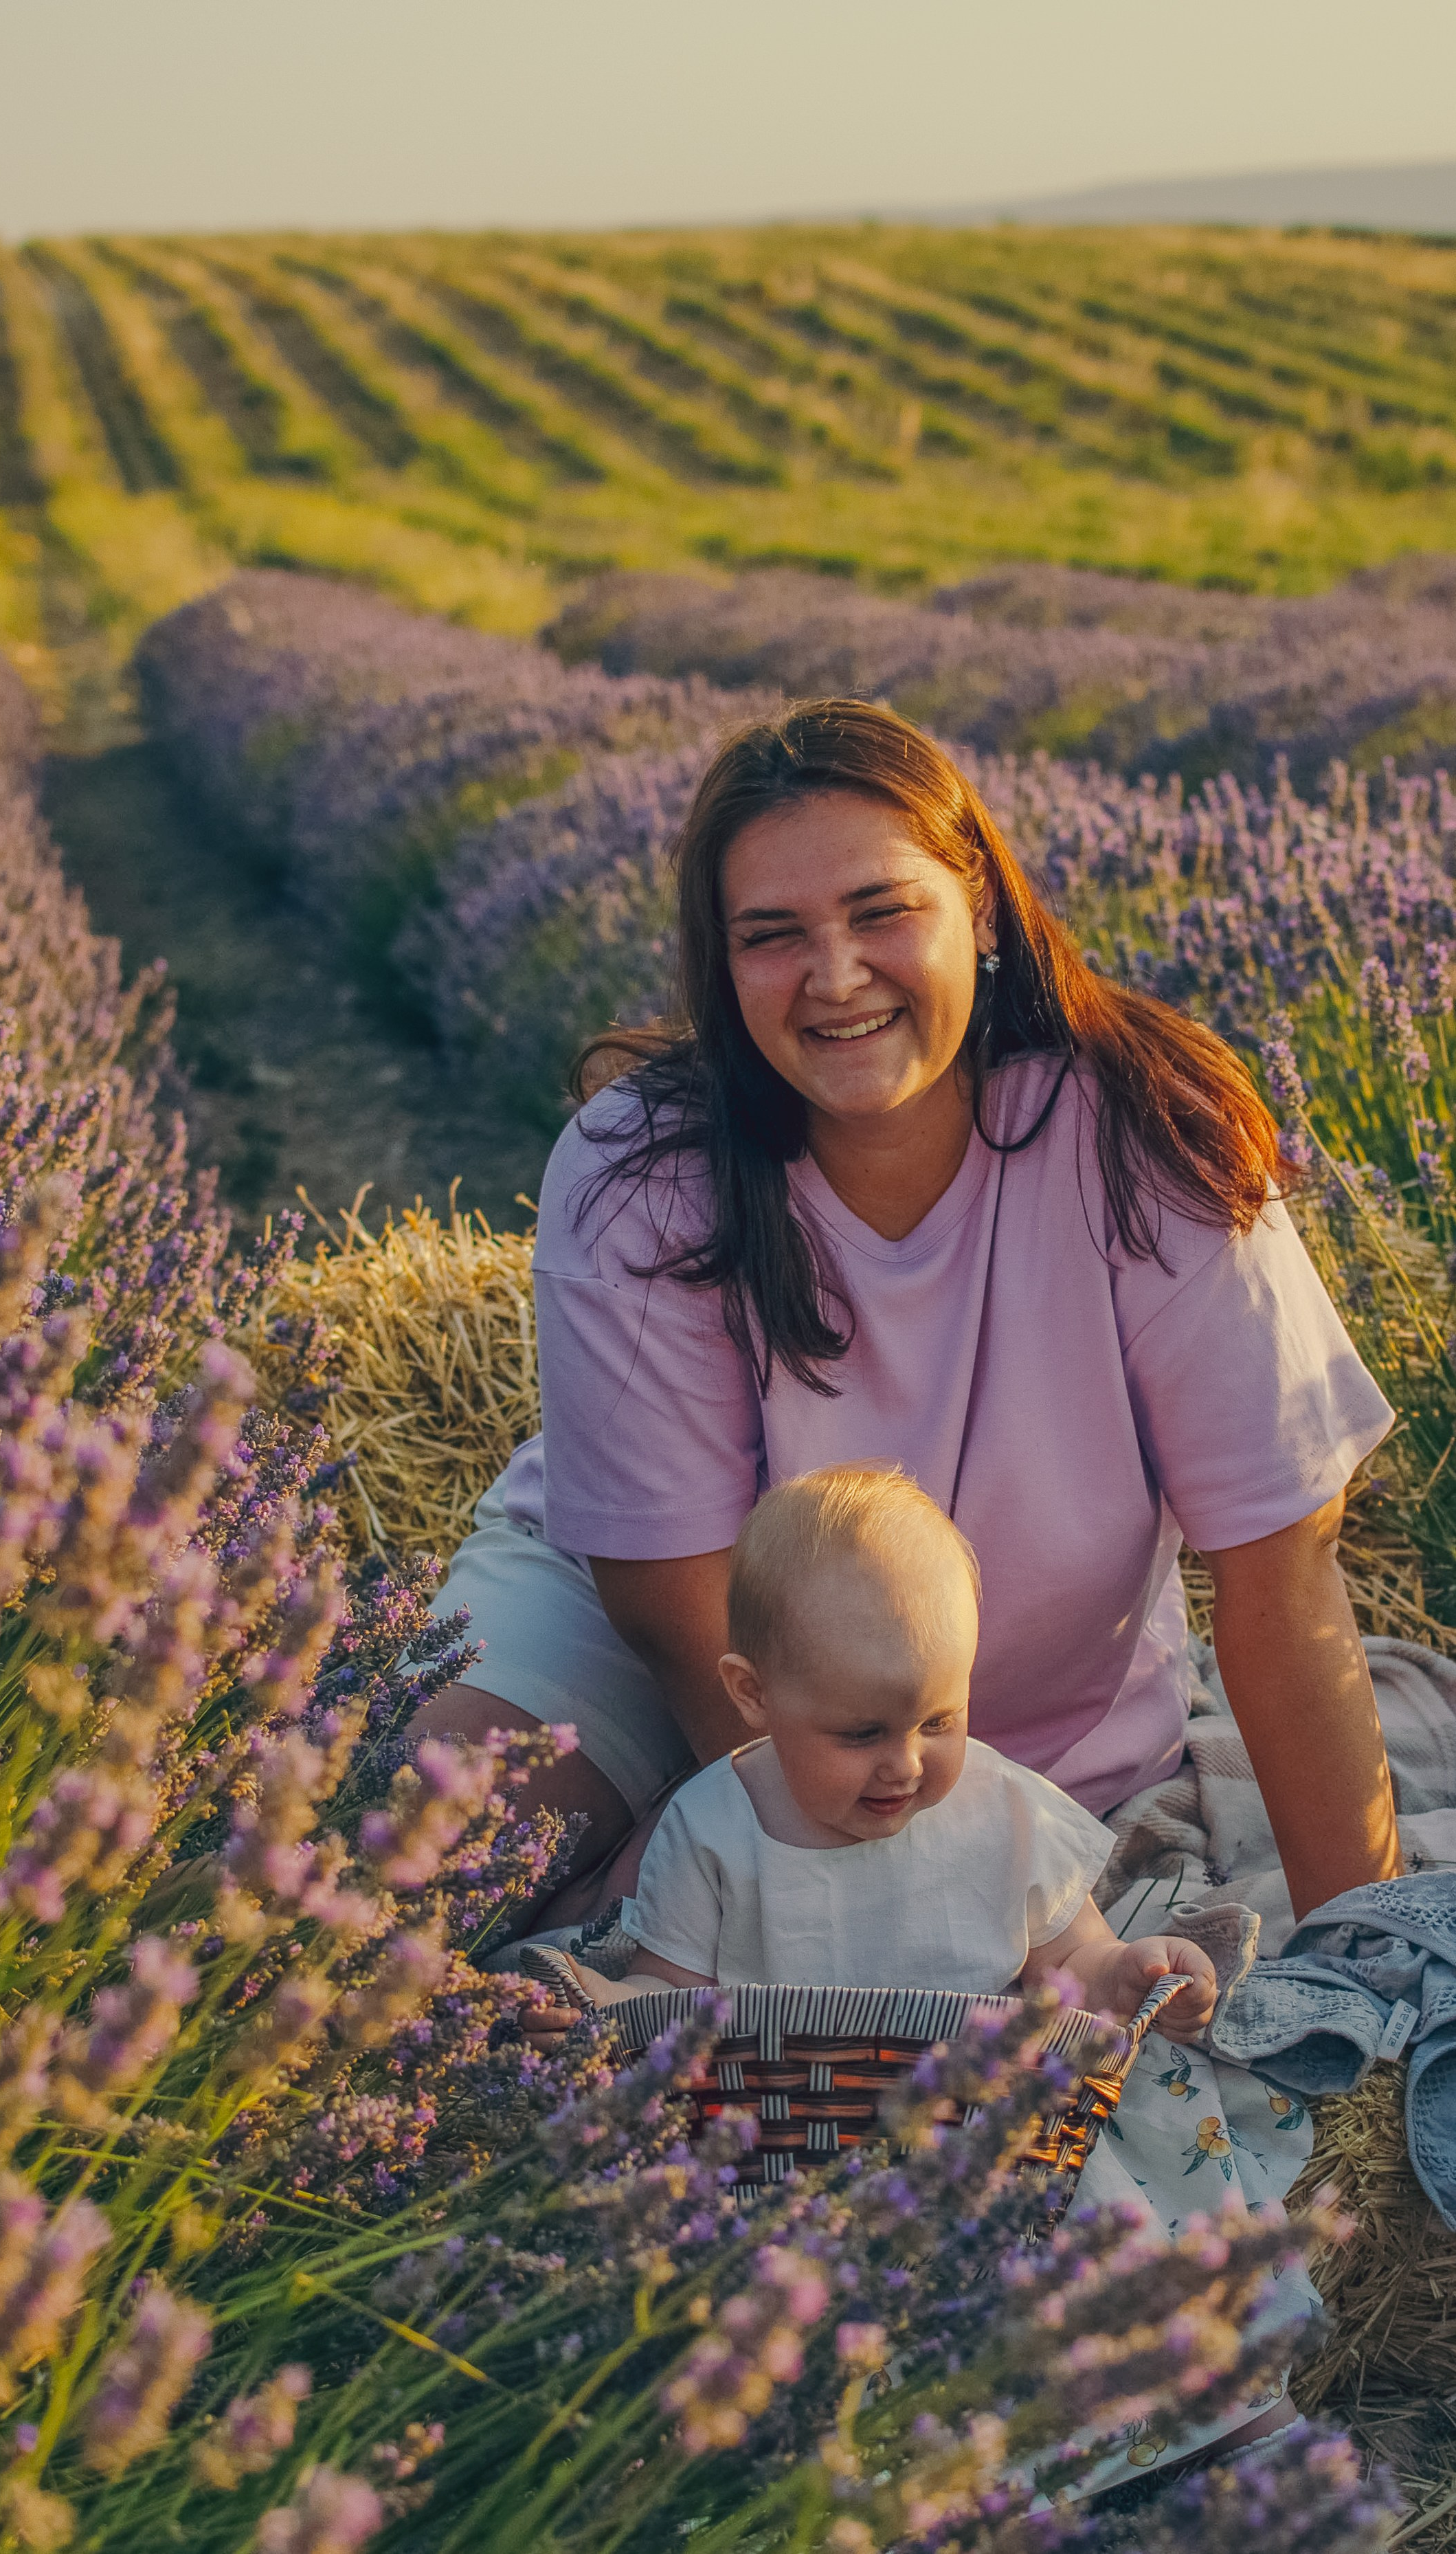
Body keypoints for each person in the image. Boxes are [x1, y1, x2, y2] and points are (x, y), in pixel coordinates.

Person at [414, 698, 1401, 1931]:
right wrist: (811, 1861)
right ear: (721, 966)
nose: (835, 979)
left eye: (881, 911)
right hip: (660, 1644)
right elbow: (673, 1609)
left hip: (997, 1706)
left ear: (978, 906)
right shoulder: (641, 1170)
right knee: (406, 1876)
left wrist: (1362, 1946)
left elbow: (1278, 1564)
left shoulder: (1144, 1138)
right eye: (772, 935)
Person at [523, 1463, 1218, 2037]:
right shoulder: (713, 1828)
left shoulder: (1004, 1808)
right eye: (862, 1733)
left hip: (969, 2114)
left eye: (940, 1719)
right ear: (753, 1693)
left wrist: (1127, 1972)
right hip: (778, 2121)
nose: (907, 1763)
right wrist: (609, 2010)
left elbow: (1069, 1962)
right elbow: (669, 1993)